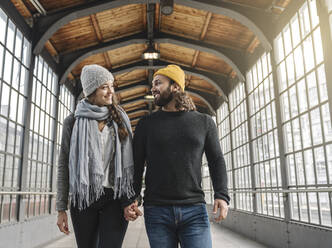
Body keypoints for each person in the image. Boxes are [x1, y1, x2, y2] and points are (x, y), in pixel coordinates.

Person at [124, 65, 230, 248]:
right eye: (152, 84)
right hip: (156, 211)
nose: (153, 88)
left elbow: (216, 160)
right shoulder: (146, 124)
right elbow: (136, 164)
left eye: (158, 83)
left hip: (194, 210)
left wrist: (222, 195)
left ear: (175, 87)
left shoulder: (203, 122)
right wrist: (133, 198)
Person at [56, 64, 137, 248]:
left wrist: (131, 199)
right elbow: (64, 164)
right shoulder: (73, 122)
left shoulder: (120, 119)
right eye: (104, 87)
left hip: (114, 198)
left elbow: (130, 163)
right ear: (91, 91)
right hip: (84, 198)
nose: (111, 92)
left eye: (112, 86)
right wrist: (61, 208)